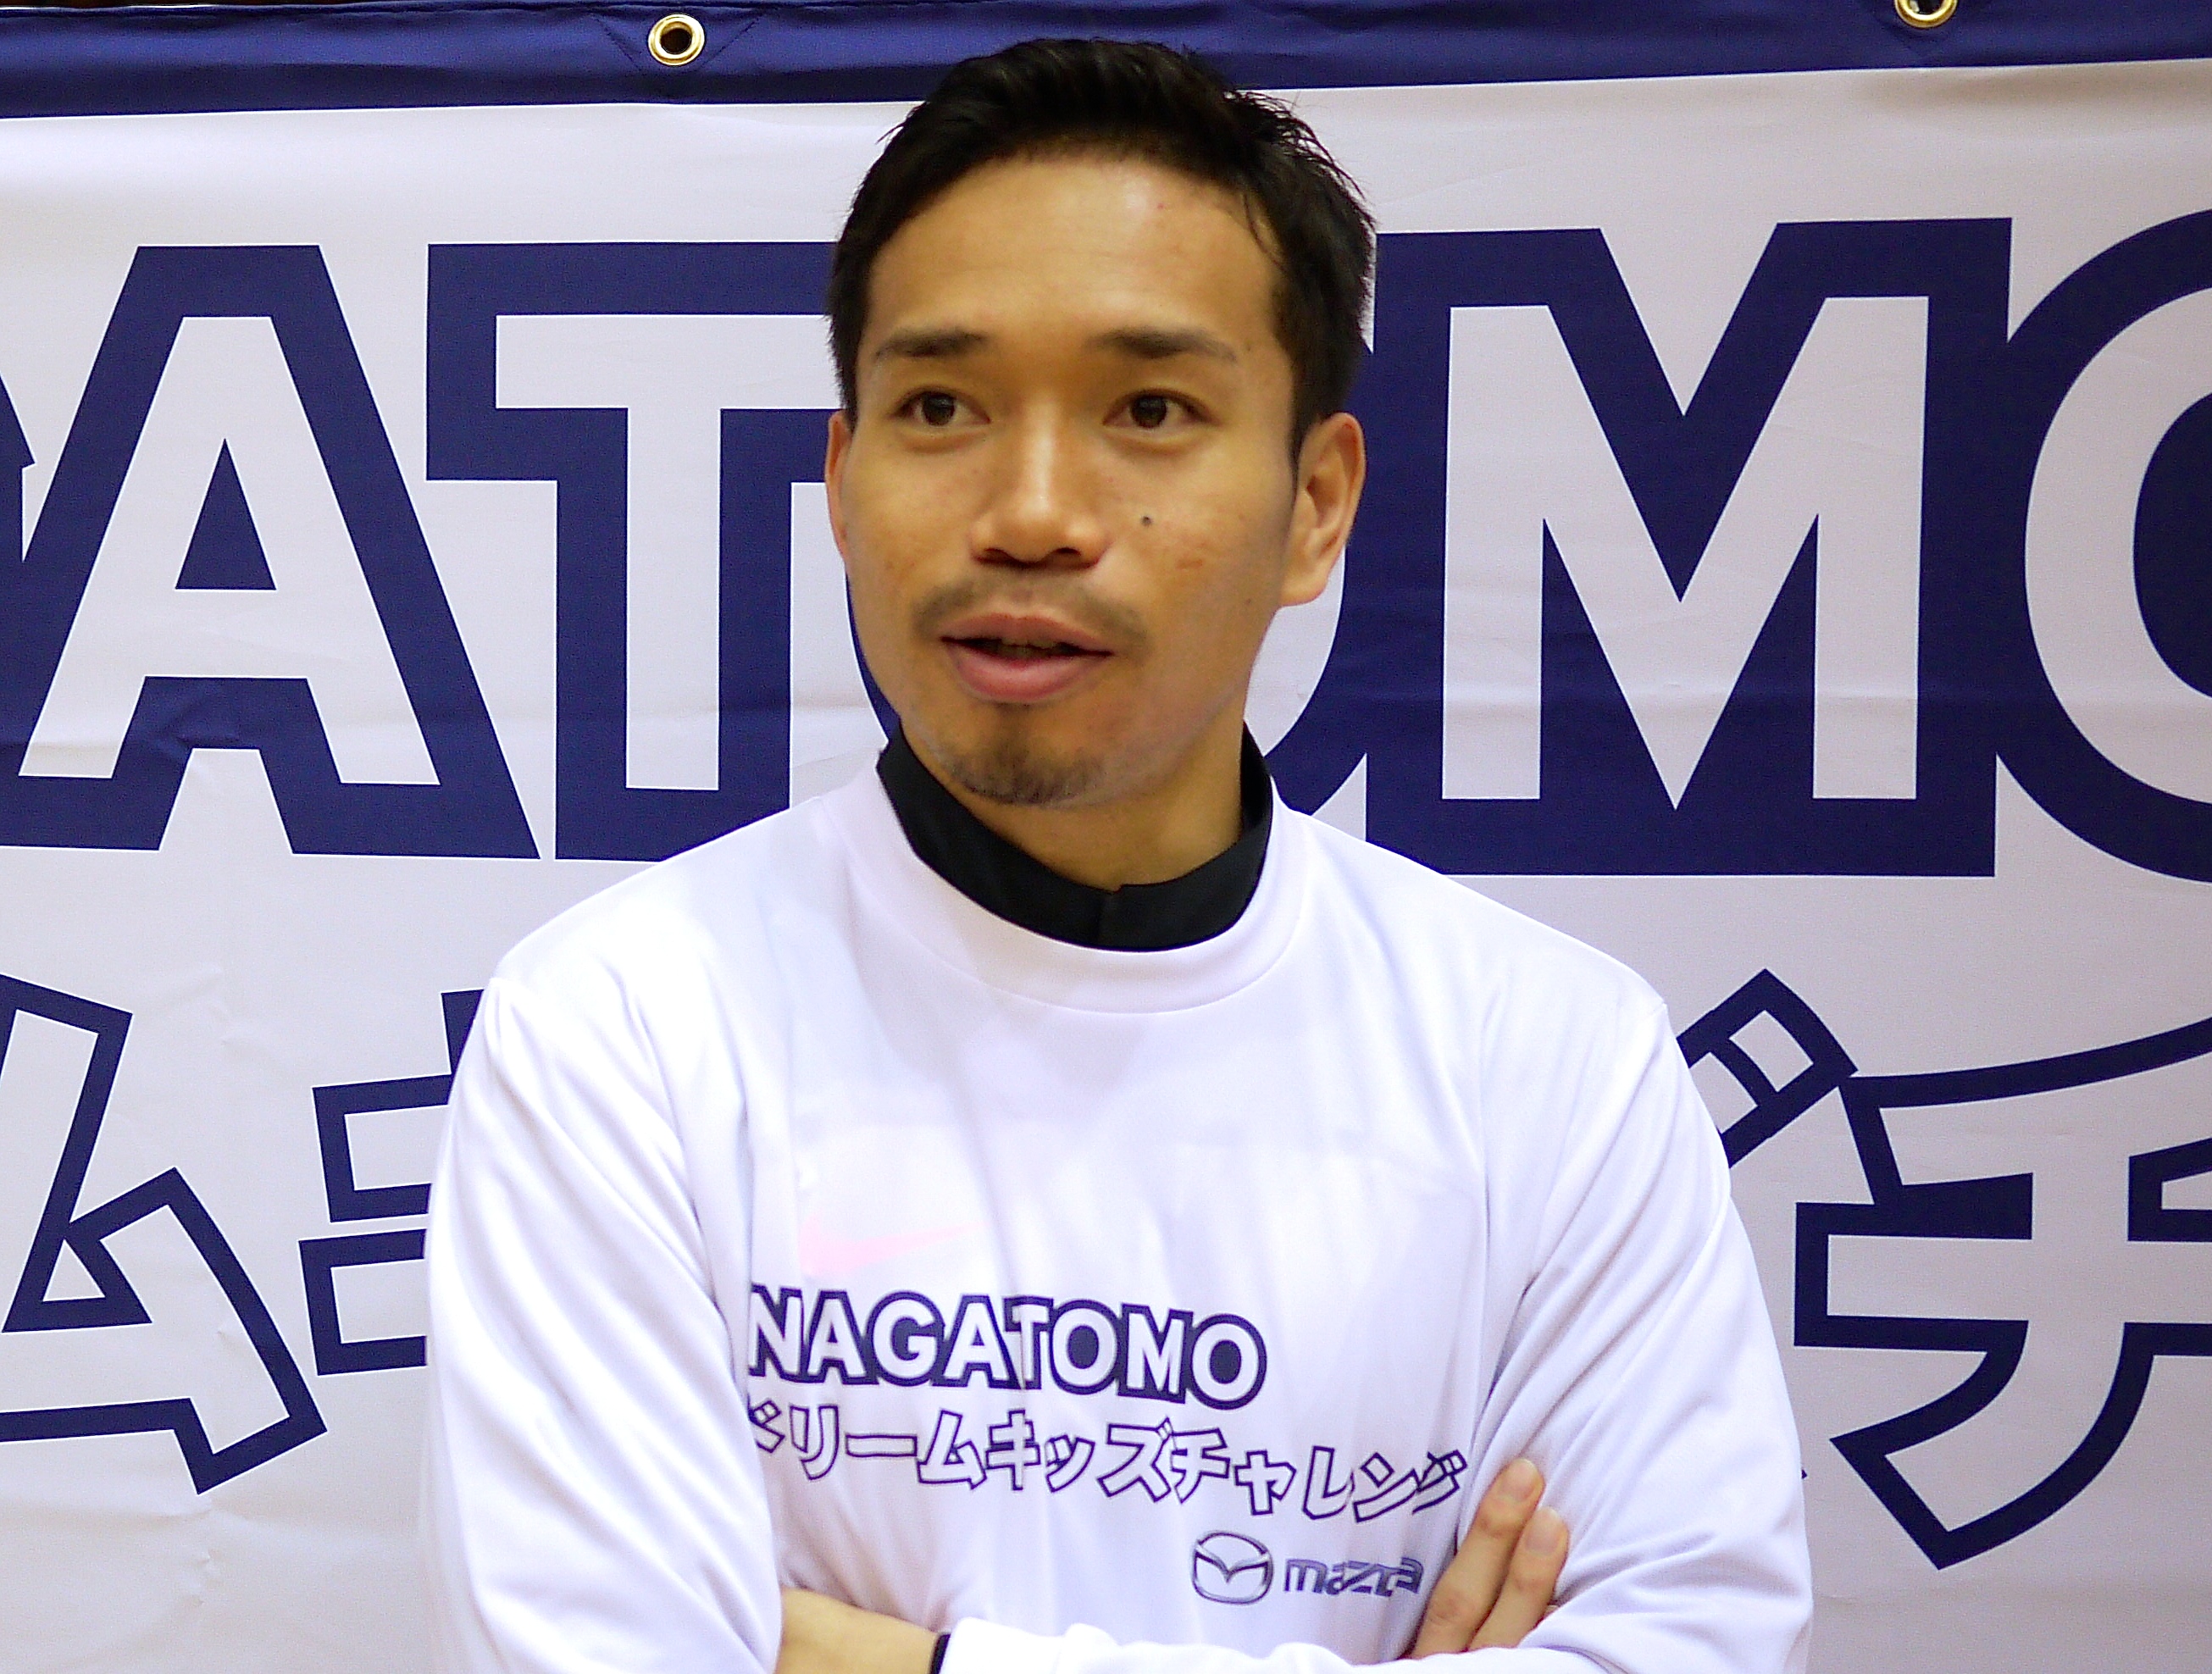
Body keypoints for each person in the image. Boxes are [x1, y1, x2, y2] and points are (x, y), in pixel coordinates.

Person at [424, 37, 1810, 1674]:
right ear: (843, 484)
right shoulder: (623, 1028)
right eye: (940, 407)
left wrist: (859, 1655)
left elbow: (1698, 1643)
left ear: (1315, 504)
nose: (1030, 513)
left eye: (1148, 410)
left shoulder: (1552, 1061)